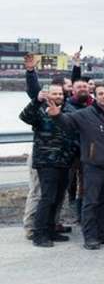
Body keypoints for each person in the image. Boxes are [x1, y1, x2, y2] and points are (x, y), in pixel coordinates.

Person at [52, 84, 104, 250]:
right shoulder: (85, 114)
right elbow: (67, 122)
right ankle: (90, 236)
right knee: (91, 202)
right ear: (95, 96)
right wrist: (57, 116)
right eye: (100, 93)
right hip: (93, 165)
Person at [20, 81, 77, 247]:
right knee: (47, 198)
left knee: (58, 198)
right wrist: (36, 101)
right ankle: (39, 234)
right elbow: (24, 117)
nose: (58, 96)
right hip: (46, 161)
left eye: (60, 94)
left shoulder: (68, 110)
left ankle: (51, 229)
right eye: (55, 93)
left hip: (64, 161)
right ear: (48, 95)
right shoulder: (40, 110)